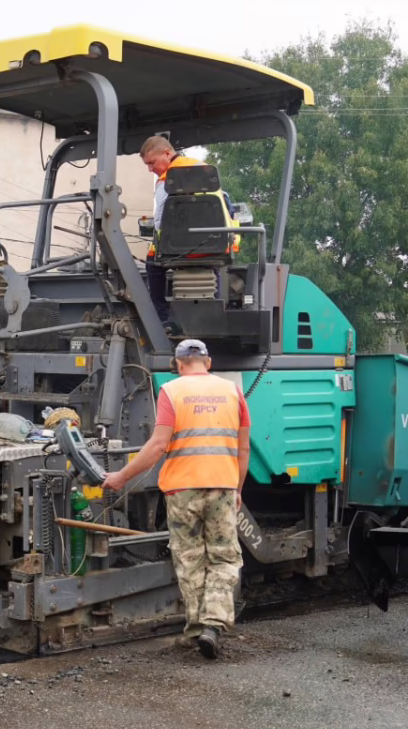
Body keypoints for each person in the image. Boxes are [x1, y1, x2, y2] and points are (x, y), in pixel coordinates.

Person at [102, 339, 251, 659]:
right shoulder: (232, 391)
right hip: (222, 488)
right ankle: (213, 624)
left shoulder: (171, 391)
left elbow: (157, 447)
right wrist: (237, 489)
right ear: (207, 362)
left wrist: (120, 477)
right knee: (224, 558)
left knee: (189, 557)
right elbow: (243, 448)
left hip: (182, 491)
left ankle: (197, 628)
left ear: (179, 364)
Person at [139, 135, 203, 330]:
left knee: (153, 265)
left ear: (167, 153)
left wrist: (157, 244)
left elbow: (160, 221)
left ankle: (162, 320)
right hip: (212, 244)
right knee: (214, 264)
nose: (151, 169)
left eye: (152, 163)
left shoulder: (168, 179)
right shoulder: (202, 168)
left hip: (179, 248)